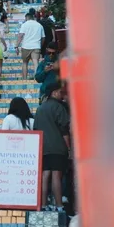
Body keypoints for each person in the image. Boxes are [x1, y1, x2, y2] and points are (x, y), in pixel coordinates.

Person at [34, 83, 71, 211]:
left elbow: (36, 129)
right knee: (56, 175)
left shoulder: (40, 108)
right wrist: (69, 148)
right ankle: (59, 205)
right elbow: (64, 130)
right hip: (57, 147)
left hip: (43, 148)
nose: (62, 95)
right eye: (60, 92)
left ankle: (43, 204)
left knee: (45, 175)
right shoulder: (59, 107)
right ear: (54, 93)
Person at [16, 10, 45, 79]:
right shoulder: (39, 25)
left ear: (26, 18)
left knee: (25, 63)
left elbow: (20, 35)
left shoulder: (24, 25)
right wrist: (40, 45)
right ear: (33, 17)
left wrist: (16, 46)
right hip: (36, 46)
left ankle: (25, 79)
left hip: (26, 46)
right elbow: (43, 37)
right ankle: (37, 79)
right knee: (36, 62)